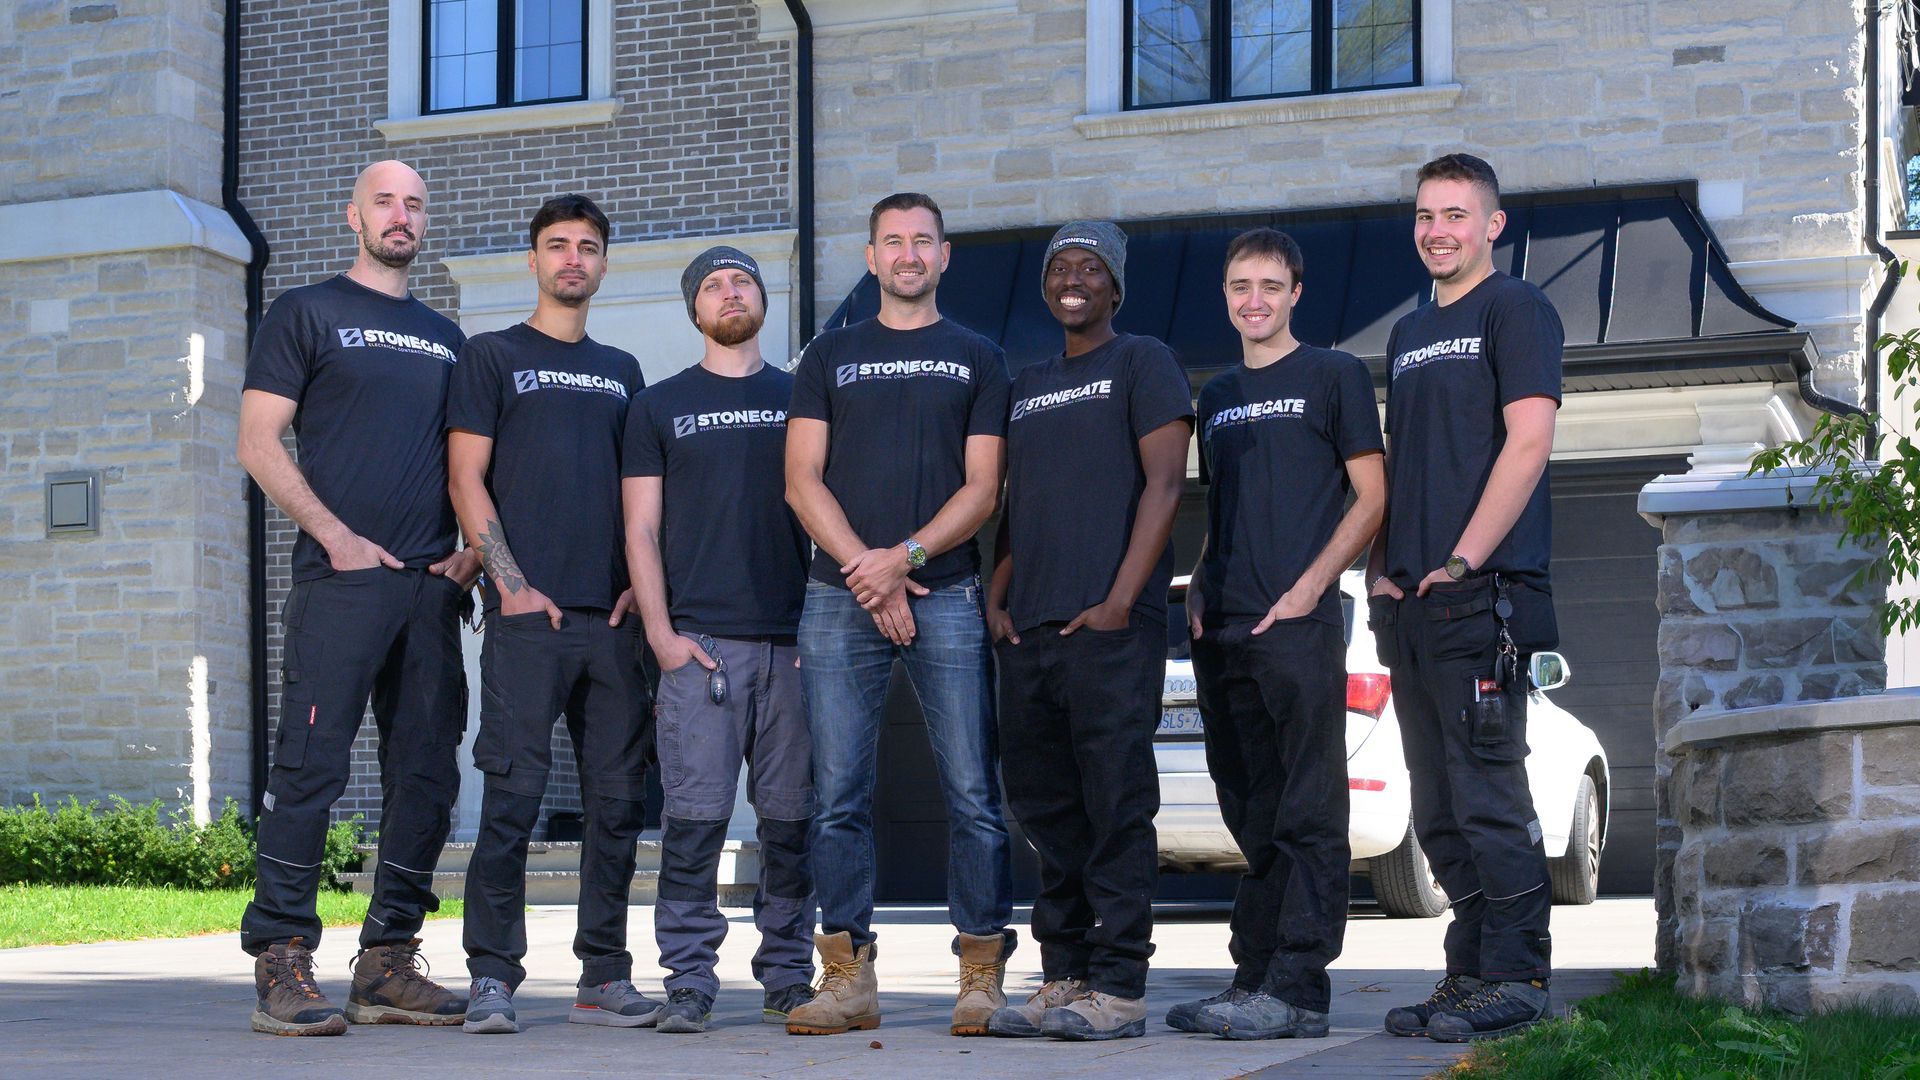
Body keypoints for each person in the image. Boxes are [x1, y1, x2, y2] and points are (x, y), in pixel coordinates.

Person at [236, 159, 474, 1036]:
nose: (402, 215)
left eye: (416, 202)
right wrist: (336, 537)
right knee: (310, 769)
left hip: (429, 590)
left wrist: (476, 560)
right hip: (340, 581)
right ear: (354, 215)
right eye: (386, 201)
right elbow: (258, 442)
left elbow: (469, 467)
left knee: (428, 774)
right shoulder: (306, 312)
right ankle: (282, 960)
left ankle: (385, 964)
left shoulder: (450, 338)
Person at [782, 192, 1016, 1037]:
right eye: (894, 241)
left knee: (972, 791)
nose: (909, 253)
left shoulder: (978, 356)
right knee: (837, 794)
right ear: (871, 256)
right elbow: (801, 479)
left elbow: (984, 488)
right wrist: (863, 573)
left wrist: (901, 560)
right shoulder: (829, 353)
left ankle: (981, 979)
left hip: (945, 591)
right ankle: (847, 980)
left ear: (944, 256)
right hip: (837, 597)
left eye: (924, 240)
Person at [446, 194, 656, 1035]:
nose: (574, 258)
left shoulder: (623, 370)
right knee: (512, 799)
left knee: (616, 805)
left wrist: (645, 586)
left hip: (611, 622)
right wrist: (509, 583)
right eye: (558, 245)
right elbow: (467, 479)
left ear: (604, 266)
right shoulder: (491, 357)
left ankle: (603, 976)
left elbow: (644, 495)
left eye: (589, 247)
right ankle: (492, 976)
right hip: (529, 619)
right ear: (532, 260)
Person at [1168, 228, 1385, 1040]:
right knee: (1250, 812)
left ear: (1296, 292)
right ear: (1225, 297)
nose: (1252, 300)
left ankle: (1298, 989)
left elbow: (1371, 496)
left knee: (1307, 810)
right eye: (1238, 287)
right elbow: (1223, 506)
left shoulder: (1334, 376)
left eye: (1268, 285)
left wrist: (1308, 588)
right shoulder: (1216, 395)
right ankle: (1252, 976)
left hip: (1295, 625)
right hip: (1222, 627)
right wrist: (1198, 580)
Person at [1366, 153, 1564, 1042]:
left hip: (1481, 595)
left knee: (1487, 790)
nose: (1436, 230)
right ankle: (1470, 970)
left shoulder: (1516, 308)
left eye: (1455, 214)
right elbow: (1405, 465)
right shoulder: (1409, 334)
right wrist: (1383, 561)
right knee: (1436, 798)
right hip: (1408, 600)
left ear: (1494, 225)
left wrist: (1461, 559)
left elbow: (1528, 443)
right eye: (1424, 215)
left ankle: (1518, 973)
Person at [984, 221, 1193, 1042]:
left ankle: (1119, 985)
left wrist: (1117, 600)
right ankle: (1065, 972)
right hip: (1028, 631)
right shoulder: (1026, 382)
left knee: (1114, 807)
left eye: (1090, 267)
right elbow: (1015, 504)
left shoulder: (1143, 361)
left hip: (1109, 629)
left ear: (1115, 286)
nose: (1073, 279)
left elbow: (1166, 483)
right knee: (1047, 810)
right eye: (1060, 267)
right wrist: (997, 594)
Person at [621, 246, 817, 1034]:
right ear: (693, 308)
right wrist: (662, 635)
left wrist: (821, 632)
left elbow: (830, 511)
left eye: (742, 281)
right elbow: (640, 527)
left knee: (792, 828)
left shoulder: (804, 395)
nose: (729, 293)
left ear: (762, 300)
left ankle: (787, 976)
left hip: (794, 648)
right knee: (695, 826)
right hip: (699, 649)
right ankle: (690, 980)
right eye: (713, 285)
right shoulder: (659, 405)